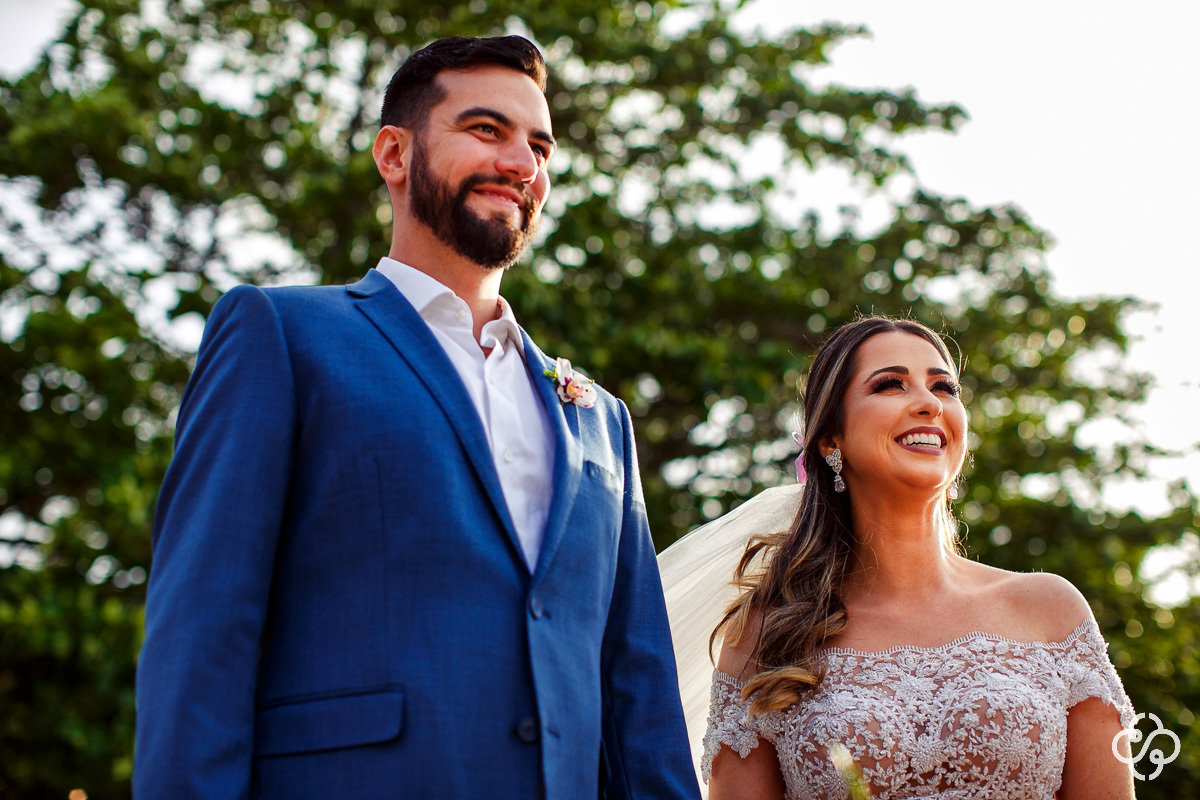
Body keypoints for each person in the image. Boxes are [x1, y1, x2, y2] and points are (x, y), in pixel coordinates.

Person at [134, 35, 699, 800]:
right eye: (485, 130)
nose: (522, 163)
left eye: (539, 145)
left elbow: (641, 696)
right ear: (395, 155)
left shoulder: (601, 420)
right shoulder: (281, 335)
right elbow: (202, 636)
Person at [660, 316, 1135, 799]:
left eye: (944, 387)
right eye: (890, 385)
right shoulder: (768, 637)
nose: (929, 403)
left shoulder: (1051, 611)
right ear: (830, 439)